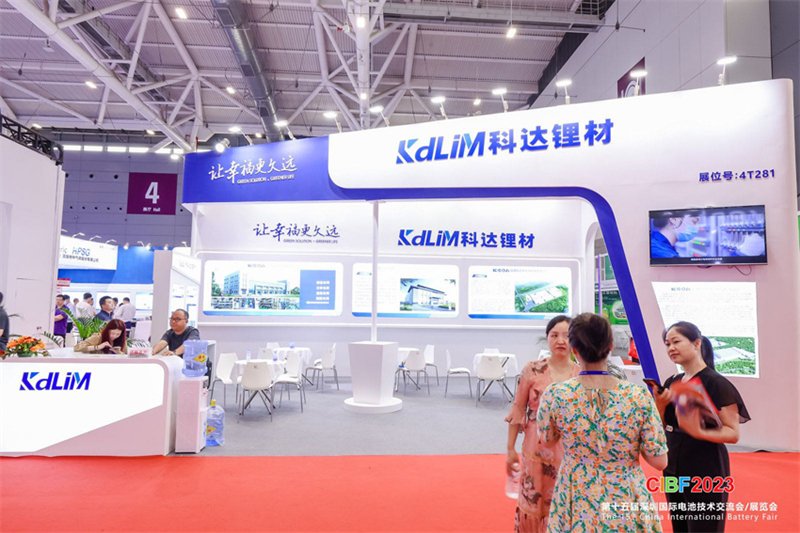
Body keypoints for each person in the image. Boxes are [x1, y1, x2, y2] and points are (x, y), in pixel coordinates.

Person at [537, 313, 668, 532]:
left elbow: (547, 441)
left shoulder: (556, 394)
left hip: (576, 496)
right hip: (625, 495)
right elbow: (659, 461)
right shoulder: (638, 396)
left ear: (574, 350)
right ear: (611, 347)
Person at [652, 321, 750, 533]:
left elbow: (733, 433)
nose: (671, 348)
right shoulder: (672, 381)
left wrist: (698, 432)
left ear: (696, 343)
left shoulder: (716, 383)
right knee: (680, 524)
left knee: (705, 525)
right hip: (673, 462)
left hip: (705, 464)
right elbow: (663, 426)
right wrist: (660, 405)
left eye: (676, 342)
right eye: (667, 344)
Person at [505, 315, 580, 532]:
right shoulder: (532, 369)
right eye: (554, 335)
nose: (560, 341)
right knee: (533, 503)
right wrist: (510, 449)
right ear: (547, 338)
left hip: (569, 456)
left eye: (566, 336)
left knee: (563, 506)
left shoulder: (581, 374)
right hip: (534, 451)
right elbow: (518, 409)